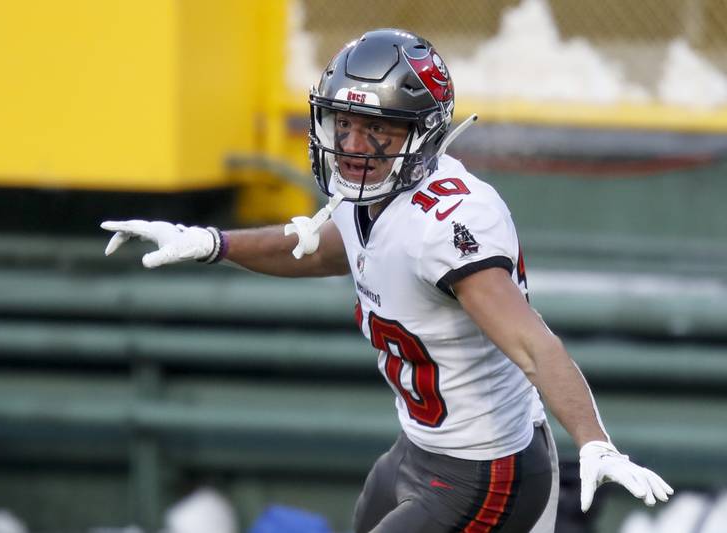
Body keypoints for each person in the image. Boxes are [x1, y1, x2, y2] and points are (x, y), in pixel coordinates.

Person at [102, 28, 672, 533]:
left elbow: (532, 343)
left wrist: (593, 438)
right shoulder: (371, 194)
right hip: (420, 451)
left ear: (420, 134)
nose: (352, 147)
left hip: (486, 470)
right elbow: (324, 247)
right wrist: (212, 242)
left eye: (376, 130)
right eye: (344, 124)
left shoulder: (445, 226)